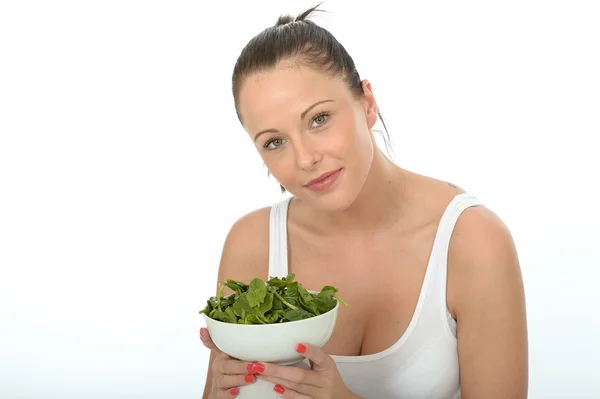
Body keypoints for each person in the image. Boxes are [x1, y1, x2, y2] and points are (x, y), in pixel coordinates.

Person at [199, 4, 529, 399]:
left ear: (367, 103)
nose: (305, 159)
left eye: (318, 119)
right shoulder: (251, 245)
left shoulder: (472, 242)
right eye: (274, 142)